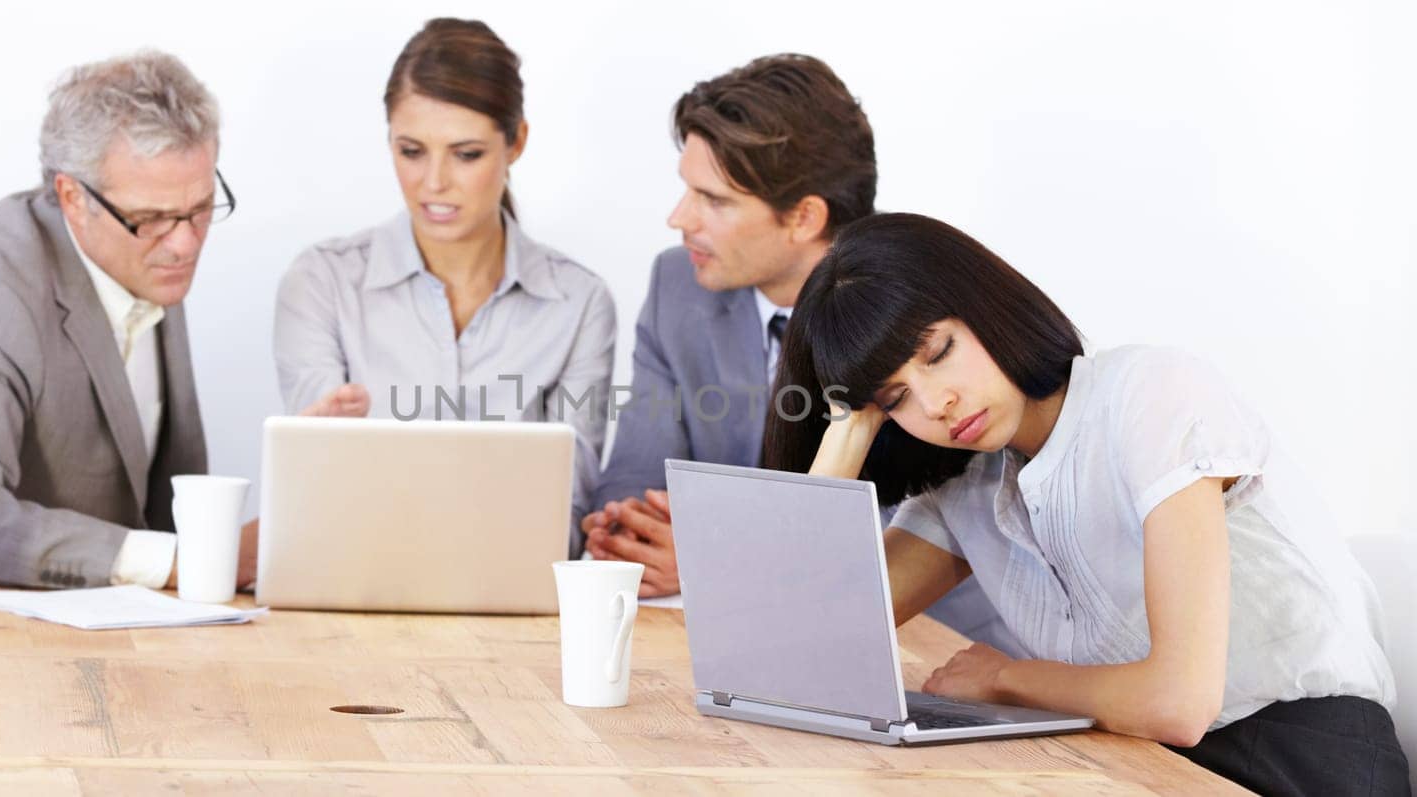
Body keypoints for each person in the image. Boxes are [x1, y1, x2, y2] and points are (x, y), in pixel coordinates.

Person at [765, 212, 1407, 795]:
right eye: (896, 397)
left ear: (986, 307)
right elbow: (803, 650)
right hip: (1129, 764)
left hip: (1302, 763)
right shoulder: (966, 486)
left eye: (939, 352)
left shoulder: (1151, 396)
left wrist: (1007, 679)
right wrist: (846, 432)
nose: (936, 403)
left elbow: (1180, 703)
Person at [578, 53, 1014, 656]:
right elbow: (633, 474)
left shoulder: (918, 299)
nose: (679, 218)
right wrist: (629, 532)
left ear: (805, 217)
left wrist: (712, 557)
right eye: (686, 189)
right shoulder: (677, 286)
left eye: (715, 199)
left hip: (926, 647)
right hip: (738, 635)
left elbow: (894, 528)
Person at [0, 51, 248, 590]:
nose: (185, 243)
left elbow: (149, 499)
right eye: (152, 219)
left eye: (199, 208)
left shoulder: (143, 254)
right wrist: (175, 561)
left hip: (95, 623)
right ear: (73, 197)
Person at [274, 18, 616, 547]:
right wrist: (313, 452)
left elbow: (565, 509)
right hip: (359, 574)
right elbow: (329, 495)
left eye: (466, 154)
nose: (433, 183)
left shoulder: (578, 303)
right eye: (411, 151)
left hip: (510, 582)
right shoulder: (322, 282)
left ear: (516, 141)